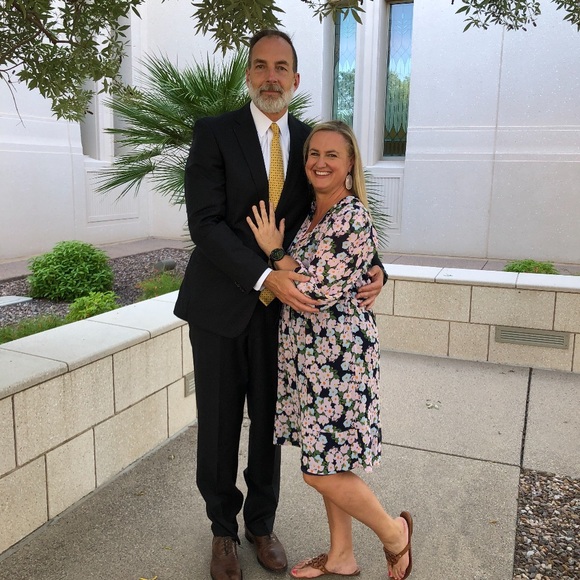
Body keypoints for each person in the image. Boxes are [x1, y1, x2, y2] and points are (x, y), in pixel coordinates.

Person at [174, 30, 385, 580]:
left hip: (282, 318)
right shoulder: (215, 133)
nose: (272, 77)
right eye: (262, 66)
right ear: (249, 74)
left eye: (282, 67)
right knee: (219, 425)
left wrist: (376, 266)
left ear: (295, 77)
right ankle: (223, 530)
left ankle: (261, 525)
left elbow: (336, 209)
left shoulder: (311, 140)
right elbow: (205, 223)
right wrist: (266, 272)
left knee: (271, 426)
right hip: (220, 309)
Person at [247, 120, 413, 579]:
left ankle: (395, 534)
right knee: (330, 460)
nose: (320, 162)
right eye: (313, 154)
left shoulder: (351, 215)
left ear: (350, 163)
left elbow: (312, 291)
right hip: (310, 360)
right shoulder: (313, 214)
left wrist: (273, 251)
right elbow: (338, 269)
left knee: (318, 470)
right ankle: (342, 556)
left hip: (339, 362)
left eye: (332, 155)